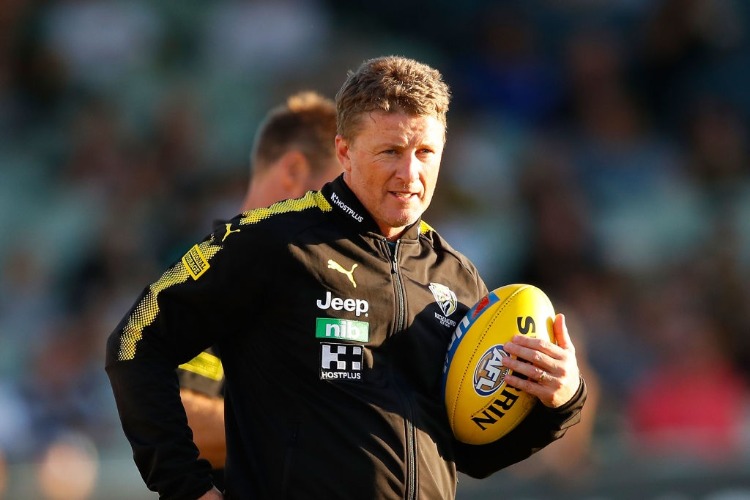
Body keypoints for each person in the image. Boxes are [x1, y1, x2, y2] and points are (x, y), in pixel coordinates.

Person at [105, 55, 587, 500]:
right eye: (390, 151)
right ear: (344, 150)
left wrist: (561, 401)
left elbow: (474, 456)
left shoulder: (457, 278)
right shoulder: (273, 242)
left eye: (425, 151)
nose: (410, 173)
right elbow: (134, 343)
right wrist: (184, 486)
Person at [176, 90, 341, 487]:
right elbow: (181, 419)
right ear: (294, 171)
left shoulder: (340, 279)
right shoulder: (216, 275)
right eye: (342, 190)